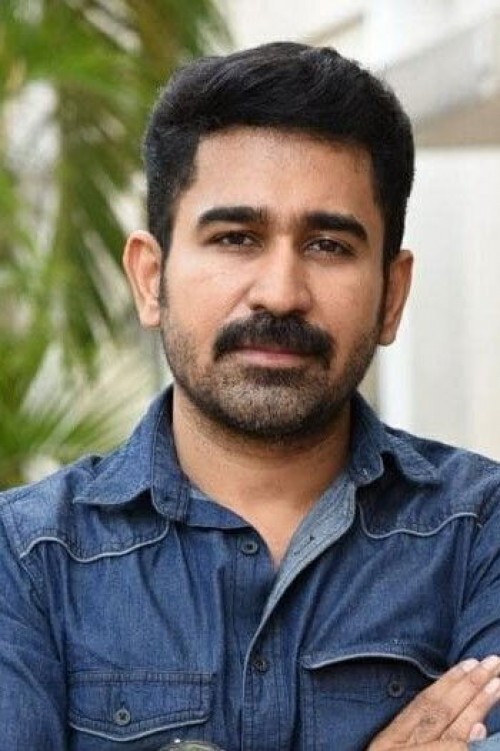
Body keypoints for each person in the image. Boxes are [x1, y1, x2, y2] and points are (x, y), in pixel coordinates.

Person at [1, 41, 500, 751]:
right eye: (236, 237)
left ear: (392, 295)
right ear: (151, 278)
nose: (280, 292)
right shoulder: (27, 558)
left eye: (328, 245)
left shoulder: (481, 533)